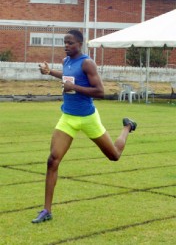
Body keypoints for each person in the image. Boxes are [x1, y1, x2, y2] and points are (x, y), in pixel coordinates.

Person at [32, 30, 137, 223]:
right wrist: (50, 72)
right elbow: (67, 76)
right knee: (52, 160)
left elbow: (100, 92)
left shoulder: (88, 63)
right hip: (68, 118)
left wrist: (75, 88)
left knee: (114, 155)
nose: (66, 46)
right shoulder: (66, 62)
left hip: (88, 118)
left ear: (79, 44)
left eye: (70, 43)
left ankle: (127, 127)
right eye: (65, 42)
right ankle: (47, 211)